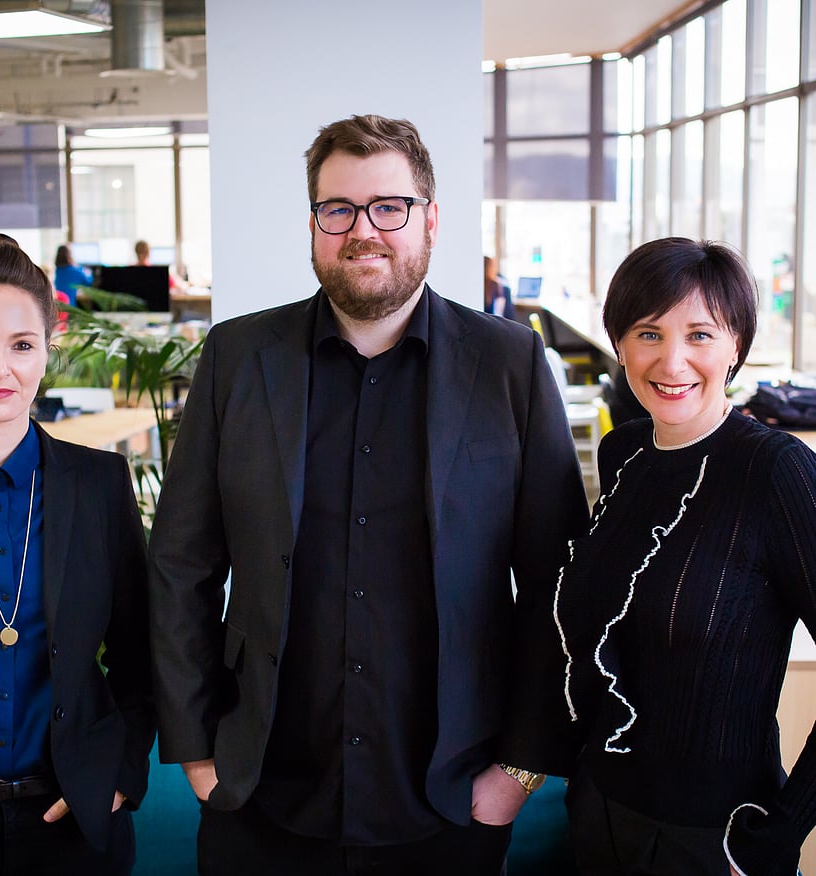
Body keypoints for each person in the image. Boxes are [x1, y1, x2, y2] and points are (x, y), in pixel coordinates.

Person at [147, 113, 589, 876]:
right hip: (262, 798)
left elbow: (559, 578)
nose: (364, 231)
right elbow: (180, 563)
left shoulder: (510, 365)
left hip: (450, 801)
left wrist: (520, 768)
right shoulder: (238, 358)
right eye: (338, 209)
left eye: (389, 207)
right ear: (314, 223)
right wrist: (197, 755)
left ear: (430, 220)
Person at [516, 237, 816, 875]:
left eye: (700, 334)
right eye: (648, 333)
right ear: (619, 343)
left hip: (716, 839)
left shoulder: (776, 471)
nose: (672, 360)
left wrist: (781, 835)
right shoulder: (624, 454)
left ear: (737, 344)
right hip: (597, 814)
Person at [0, 235, 155, 875]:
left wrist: (119, 772)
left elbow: (140, 652)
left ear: (47, 354)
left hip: (73, 820)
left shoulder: (98, 485)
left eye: (21, 346)